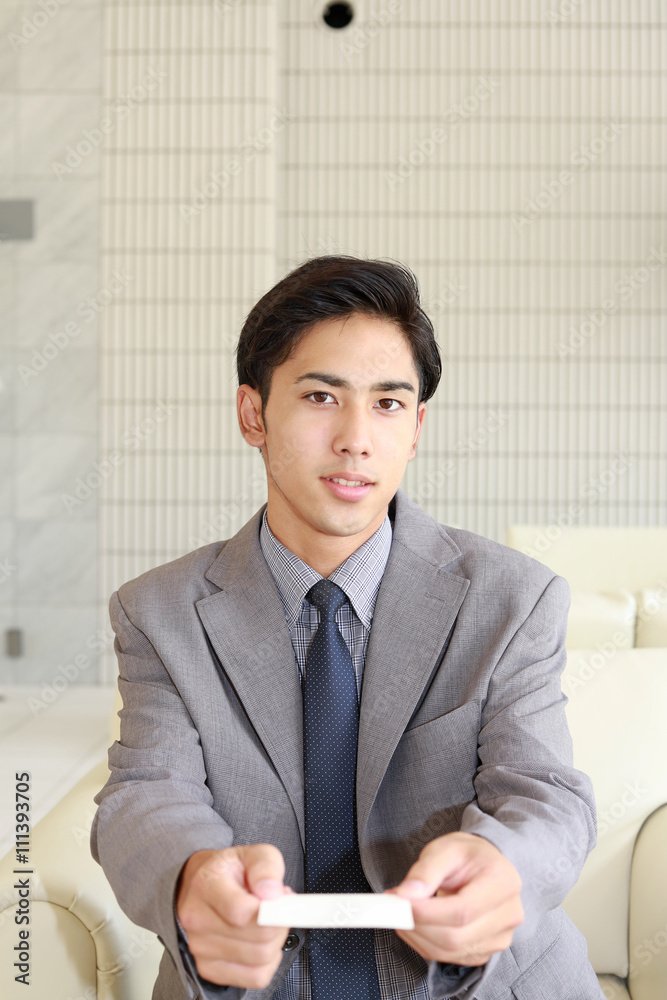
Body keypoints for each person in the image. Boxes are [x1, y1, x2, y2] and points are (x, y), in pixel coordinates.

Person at [91, 255, 605, 1000]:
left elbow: (545, 792)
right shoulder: (158, 612)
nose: (356, 439)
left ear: (416, 427)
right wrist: (192, 877)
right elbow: (146, 792)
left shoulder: (513, 599)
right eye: (321, 397)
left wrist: (505, 869)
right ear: (253, 415)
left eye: (388, 403)